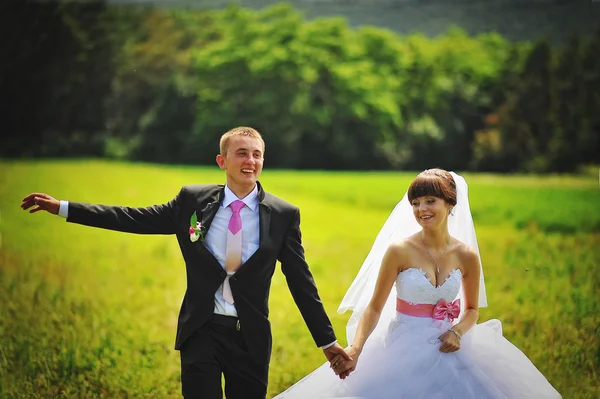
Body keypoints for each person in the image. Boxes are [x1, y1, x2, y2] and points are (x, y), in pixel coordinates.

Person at [20, 126, 350, 399]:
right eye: (242, 153)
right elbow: (132, 218)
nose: (250, 161)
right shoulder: (192, 201)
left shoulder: (282, 215)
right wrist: (63, 208)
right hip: (201, 330)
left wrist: (327, 341)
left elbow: (301, 281)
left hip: (249, 337)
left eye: (257, 154)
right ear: (222, 160)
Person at [273, 168, 562, 399]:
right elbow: (374, 307)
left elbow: (472, 308)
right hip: (403, 345)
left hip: (452, 345)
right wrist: (356, 349)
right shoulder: (399, 250)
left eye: (430, 201)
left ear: (450, 203)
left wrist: (457, 332)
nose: (421, 209)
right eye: (416, 203)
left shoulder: (466, 255)